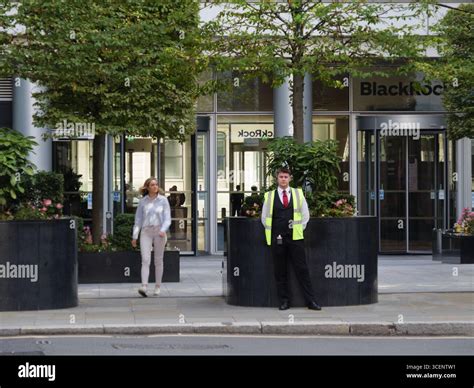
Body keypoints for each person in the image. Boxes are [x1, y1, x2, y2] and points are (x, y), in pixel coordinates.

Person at [261, 167, 321, 311]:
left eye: (285, 177)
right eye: (281, 176)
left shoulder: (298, 194)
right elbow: (264, 218)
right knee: (280, 271)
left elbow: (305, 216)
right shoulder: (269, 196)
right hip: (277, 238)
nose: (283, 179)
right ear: (277, 178)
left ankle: (311, 301)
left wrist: (298, 229)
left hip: (295, 238)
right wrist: (275, 232)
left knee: (302, 270)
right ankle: (284, 302)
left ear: (290, 178)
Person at [132, 177, 171, 297]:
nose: (155, 186)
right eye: (152, 185)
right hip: (146, 232)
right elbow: (138, 220)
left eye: (156, 184)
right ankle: (144, 286)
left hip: (159, 231)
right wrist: (135, 236)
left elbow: (167, 219)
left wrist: (163, 230)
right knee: (145, 259)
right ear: (147, 187)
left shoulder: (163, 200)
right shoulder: (143, 201)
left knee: (158, 260)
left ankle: (158, 286)